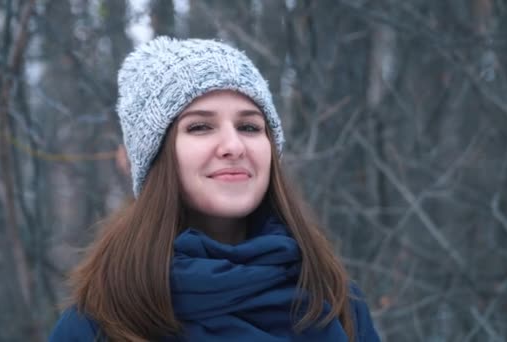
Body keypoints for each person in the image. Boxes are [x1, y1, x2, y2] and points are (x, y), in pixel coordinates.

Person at [49, 36, 380, 342]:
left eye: (249, 126)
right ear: (157, 156)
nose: (233, 146)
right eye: (201, 126)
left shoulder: (335, 299)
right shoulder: (101, 321)